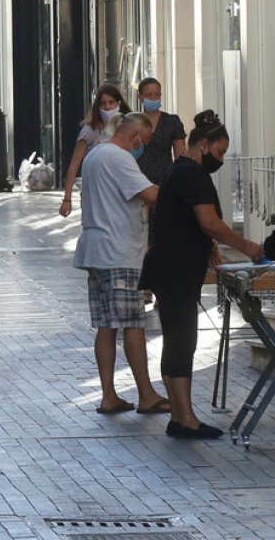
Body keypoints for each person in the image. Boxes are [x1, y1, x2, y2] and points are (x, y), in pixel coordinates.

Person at [141, 111, 264, 440]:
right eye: (220, 152)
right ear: (203, 144)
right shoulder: (191, 174)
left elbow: (187, 220)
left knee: (177, 340)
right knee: (183, 341)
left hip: (170, 267)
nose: (221, 159)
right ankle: (186, 418)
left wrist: (207, 242)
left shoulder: (179, 170)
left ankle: (180, 416)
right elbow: (209, 221)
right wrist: (248, 246)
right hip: (176, 269)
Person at [73, 112, 171, 416]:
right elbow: (150, 194)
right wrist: (183, 193)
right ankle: (146, 394)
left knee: (106, 325)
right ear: (134, 136)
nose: (144, 147)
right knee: (132, 323)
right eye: (145, 141)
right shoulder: (119, 158)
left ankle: (109, 396)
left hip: (97, 250)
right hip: (119, 252)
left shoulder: (95, 155)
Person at [133, 76, 186, 305]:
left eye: (157, 95)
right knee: (141, 236)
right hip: (138, 183)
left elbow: (180, 156)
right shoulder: (133, 122)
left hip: (165, 184)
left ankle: (160, 284)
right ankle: (145, 284)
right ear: (140, 97)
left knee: (161, 236)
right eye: (149, 95)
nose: (154, 99)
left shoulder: (172, 122)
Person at [59, 83, 133, 218]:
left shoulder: (126, 128)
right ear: (97, 106)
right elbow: (74, 166)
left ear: (119, 103)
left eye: (111, 102)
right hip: (94, 192)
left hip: (121, 191)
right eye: (103, 103)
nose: (107, 107)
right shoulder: (89, 131)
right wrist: (67, 199)